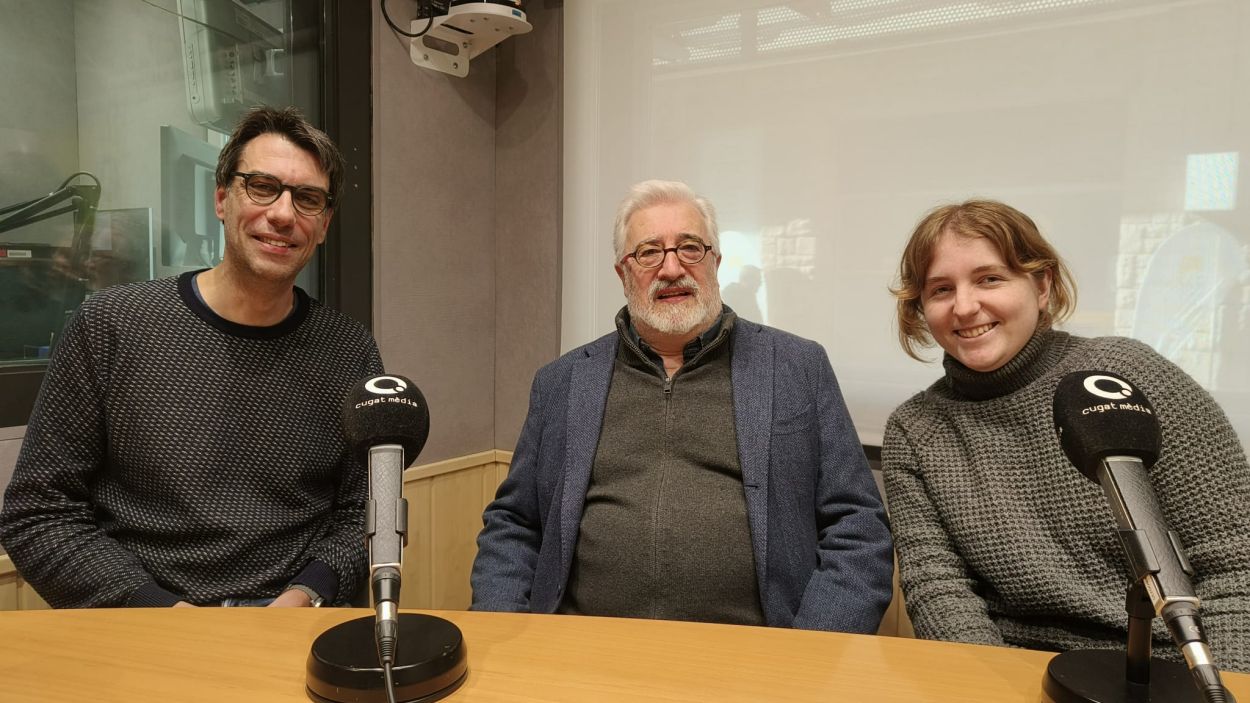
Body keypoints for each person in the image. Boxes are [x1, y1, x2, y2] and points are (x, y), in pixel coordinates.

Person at [0, 106, 383, 608]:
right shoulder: (111, 326)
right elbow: (39, 513)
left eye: (307, 198)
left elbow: (364, 516)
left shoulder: (350, 351)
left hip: (293, 630)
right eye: (262, 186)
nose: (284, 214)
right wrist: (160, 612)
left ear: (325, 223)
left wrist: (308, 594)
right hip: (142, 629)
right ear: (222, 199)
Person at [470, 179, 893, 632]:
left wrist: (812, 651)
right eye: (649, 252)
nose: (672, 268)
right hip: (584, 650)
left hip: (759, 655)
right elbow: (514, 524)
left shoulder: (797, 368)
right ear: (623, 273)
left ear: (716, 261)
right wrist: (505, 635)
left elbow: (859, 528)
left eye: (690, 248)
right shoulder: (563, 381)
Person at [882, 200, 1250, 671]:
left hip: (1170, 668)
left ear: (1042, 285)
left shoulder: (1128, 376)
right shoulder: (916, 430)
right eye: (940, 289)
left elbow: (1234, 564)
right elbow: (939, 590)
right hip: (1010, 672)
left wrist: (1223, 684)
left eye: (990, 279)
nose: (965, 306)